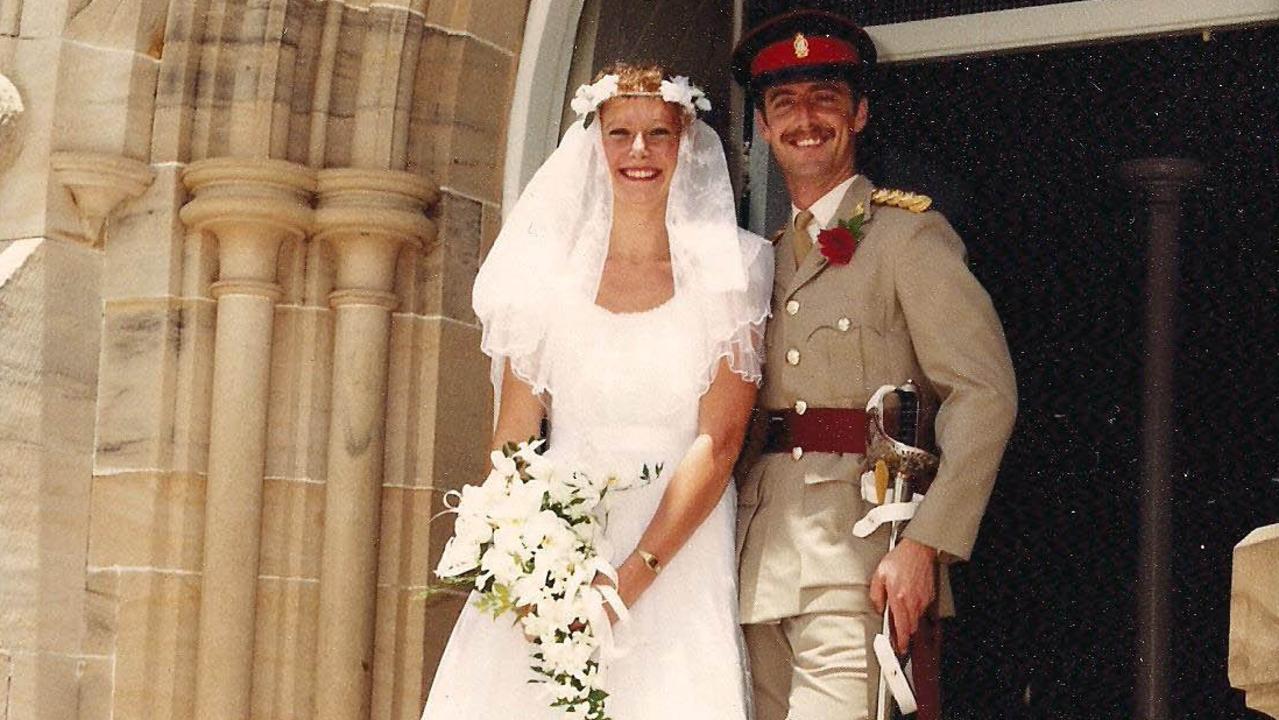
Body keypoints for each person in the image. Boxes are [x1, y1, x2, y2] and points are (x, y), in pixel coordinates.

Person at [420, 63, 772, 719]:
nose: (638, 152)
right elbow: (514, 443)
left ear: (686, 142)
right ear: (595, 141)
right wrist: (530, 574)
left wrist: (626, 580)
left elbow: (719, 442)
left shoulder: (734, 268)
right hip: (560, 543)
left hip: (675, 543)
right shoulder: (545, 278)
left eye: (658, 134)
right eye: (620, 133)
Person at [731, 10, 1018, 720]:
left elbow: (983, 393)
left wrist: (926, 545)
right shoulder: (757, 261)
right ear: (763, 129)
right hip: (758, 558)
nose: (805, 119)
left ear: (857, 114)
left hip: (861, 561)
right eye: (783, 104)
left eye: (824, 99)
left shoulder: (907, 237)